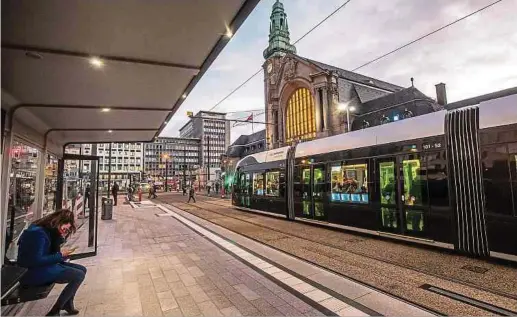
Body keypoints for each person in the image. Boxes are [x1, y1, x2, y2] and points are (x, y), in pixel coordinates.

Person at [17, 209, 86, 316]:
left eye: (66, 231)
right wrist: (60, 255)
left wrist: (60, 247)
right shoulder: (37, 233)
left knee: (82, 269)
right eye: (64, 229)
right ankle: (55, 310)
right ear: (58, 222)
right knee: (78, 275)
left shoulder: (48, 231)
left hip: (41, 267)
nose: (64, 232)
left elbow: (48, 254)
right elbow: (35, 260)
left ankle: (67, 302)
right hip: (31, 273)